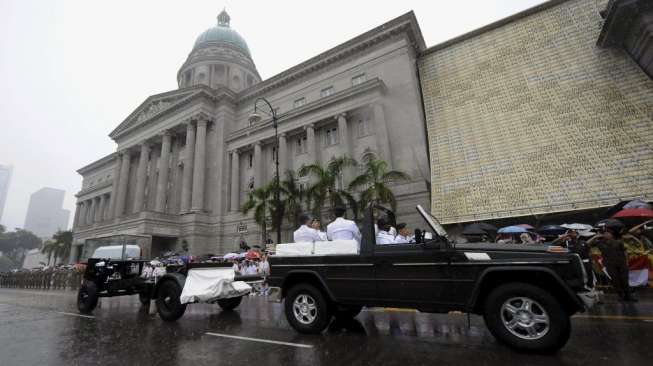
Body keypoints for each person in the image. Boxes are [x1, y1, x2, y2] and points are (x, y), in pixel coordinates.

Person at [588, 227, 636, 302]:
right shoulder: (599, 243)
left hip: (621, 263)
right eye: (604, 233)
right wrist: (595, 236)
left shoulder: (618, 242)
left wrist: (626, 261)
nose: (606, 234)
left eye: (608, 233)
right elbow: (587, 244)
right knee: (615, 280)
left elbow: (625, 251)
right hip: (610, 264)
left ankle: (628, 296)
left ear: (612, 235)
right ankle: (620, 295)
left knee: (624, 279)